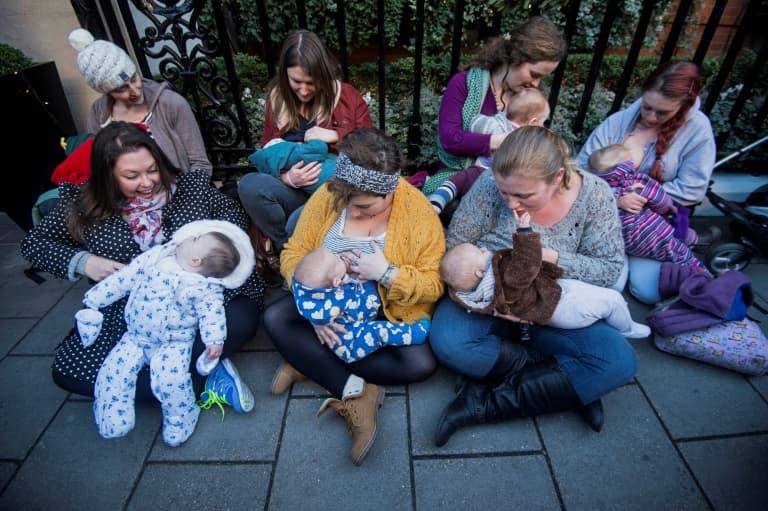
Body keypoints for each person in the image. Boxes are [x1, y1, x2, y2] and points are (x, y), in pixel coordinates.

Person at [21, 122, 263, 414]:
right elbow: (33, 244)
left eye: (152, 170)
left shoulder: (190, 188)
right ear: (108, 176)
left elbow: (232, 214)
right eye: (131, 176)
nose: (147, 183)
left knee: (238, 321)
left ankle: (181, 379)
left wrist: (209, 242)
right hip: (136, 309)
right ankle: (204, 377)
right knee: (68, 372)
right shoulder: (84, 204)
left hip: (205, 297)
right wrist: (84, 262)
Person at [430, 126, 636, 447]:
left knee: (618, 360)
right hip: (488, 297)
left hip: (552, 307)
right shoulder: (488, 185)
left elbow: (607, 270)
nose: (512, 203)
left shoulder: (595, 195)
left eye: (524, 195)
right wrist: (485, 301)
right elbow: (454, 249)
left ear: (557, 177)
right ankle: (563, 385)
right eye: (504, 192)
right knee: (449, 342)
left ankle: (480, 404)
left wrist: (548, 256)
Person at [264, 128, 444, 465]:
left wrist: (387, 274)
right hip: (330, 300)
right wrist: (315, 309)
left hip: (384, 307)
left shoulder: (417, 215)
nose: (354, 213)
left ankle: (306, 359)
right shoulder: (329, 195)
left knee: (421, 364)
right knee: (275, 317)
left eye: (365, 207)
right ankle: (354, 391)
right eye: (349, 204)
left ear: (389, 191)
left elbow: (434, 285)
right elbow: (294, 253)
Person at [78, 220, 255, 447]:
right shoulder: (156, 259)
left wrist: (214, 341)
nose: (187, 236)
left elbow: (213, 314)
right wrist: (94, 301)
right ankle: (112, 416)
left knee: (173, 382)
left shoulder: (204, 288)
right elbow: (123, 280)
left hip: (175, 342)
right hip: (135, 336)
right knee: (113, 372)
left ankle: (181, 419)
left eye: (194, 239)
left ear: (195, 261)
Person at [577, 61, 718, 304]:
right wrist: (616, 196)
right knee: (609, 282)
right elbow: (581, 171)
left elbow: (692, 190)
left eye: (662, 112)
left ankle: (686, 242)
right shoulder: (619, 122)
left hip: (657, 226)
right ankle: (627, 257)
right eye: (647, 107)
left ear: (683, 106)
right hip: (611, 216)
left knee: (647, 292)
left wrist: (645, 194)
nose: (651, 117)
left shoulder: (698, 130)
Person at [238, 29, 373, 254]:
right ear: (285, 75)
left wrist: (336, 136)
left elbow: (373, 149)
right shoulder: (277, 99)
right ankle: (288, 248)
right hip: (291, 189)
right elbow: (267, 151)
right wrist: (286, 177)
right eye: (296, 81)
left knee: (296, 222)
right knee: (250, 185)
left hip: (332, 190)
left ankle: (290, 247)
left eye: (311, 82)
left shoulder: (347, 96)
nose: (304, 90)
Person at [441, 209, 650, 339]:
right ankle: (626, 329)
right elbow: (526, 266)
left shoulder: (469, 295)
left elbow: (457, 294)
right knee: (612, 300)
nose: (484, 249)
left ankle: (612, 314)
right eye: (480, 251)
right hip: (557, 305)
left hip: (547, 296)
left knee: (603, 293)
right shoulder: (502, 278)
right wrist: (524, 232)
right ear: (479, 272)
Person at [423, 15, 566, 196]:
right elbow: (450, 139)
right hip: (455, 179)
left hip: (510, 186)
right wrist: (505, 140)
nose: (536, 84)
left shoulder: (530, 100)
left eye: (542, 78)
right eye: (533, 73)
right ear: (515, 57)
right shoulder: (464, 84)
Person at [64, 28, 212, 179]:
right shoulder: (99, 113)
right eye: (122, 89)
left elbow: (200, 163)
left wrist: (189, 197)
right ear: (107, 91)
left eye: (134, 78)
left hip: (179, 189)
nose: (135, 91)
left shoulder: (171, 104)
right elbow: (100, 164)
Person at [293, 247, 430, 363]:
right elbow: (363, 307)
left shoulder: (306, 291)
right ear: (336, 283)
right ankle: (415, 332)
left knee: (361, 287)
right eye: (338, 260)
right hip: (351, 340)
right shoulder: (339, 299)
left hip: (350, 321)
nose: (339, 256)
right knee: (379, 331)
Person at [428, 87, 551, 213]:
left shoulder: (497, 122)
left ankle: (436, 202)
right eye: (543, 123)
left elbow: (474, 123)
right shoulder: (526, 140)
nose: (543, 127)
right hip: (498, 180)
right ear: (533, 122)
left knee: (456, 182)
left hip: (479, 171)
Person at [587, 144, 706, 271]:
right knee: (679, 250)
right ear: (627, 165)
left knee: (676, 224)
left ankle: (694, 240)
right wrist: (666, 210)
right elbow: (662, 202)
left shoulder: (597, 189)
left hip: (622, 241)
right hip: (652, 234)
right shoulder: (638, 182)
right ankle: (702, 272)